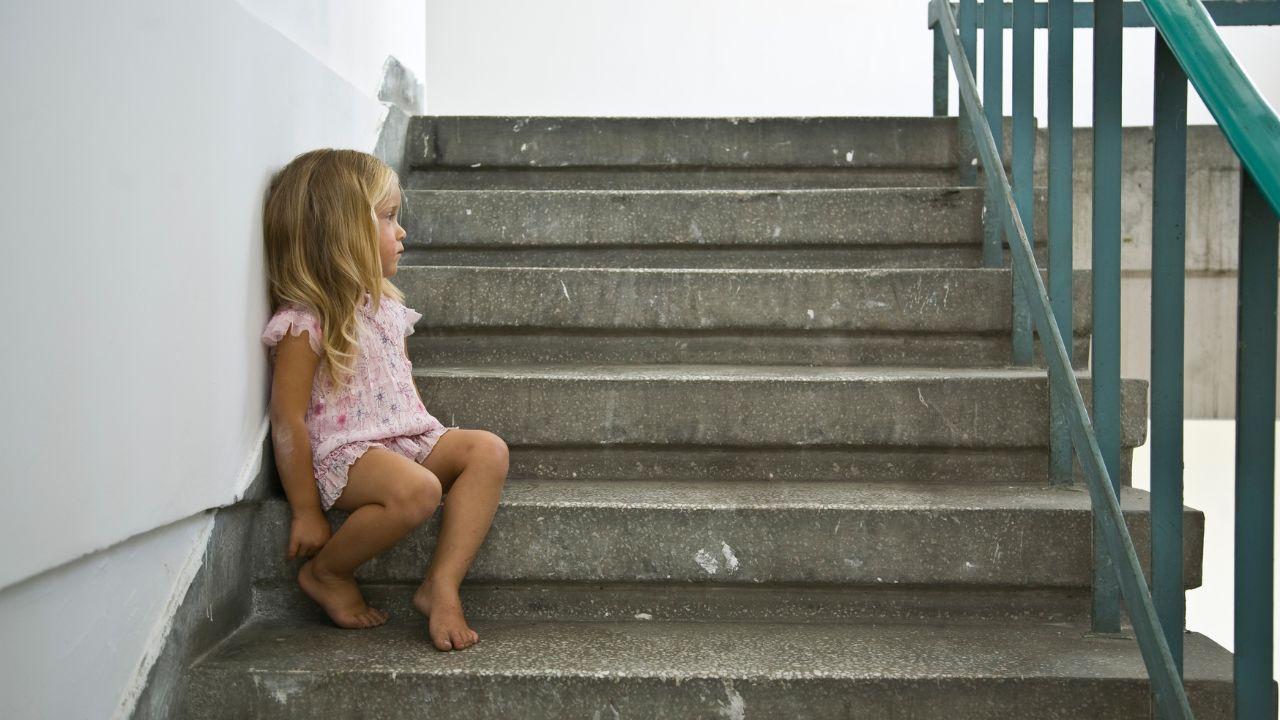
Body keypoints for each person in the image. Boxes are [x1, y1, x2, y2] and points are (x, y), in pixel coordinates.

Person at [260, 148, 508, 652]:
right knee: (417, 491)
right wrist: (306, 510)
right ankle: (327, 572)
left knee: (489, 450)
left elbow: (399, 394)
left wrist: (428, 440)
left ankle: (441, 583)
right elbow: (287, 418)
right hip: (346, 454)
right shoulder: (305, 321)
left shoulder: (387, 309)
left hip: (406, 439)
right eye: (389, 218)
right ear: (343, 231)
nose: (402, 232)